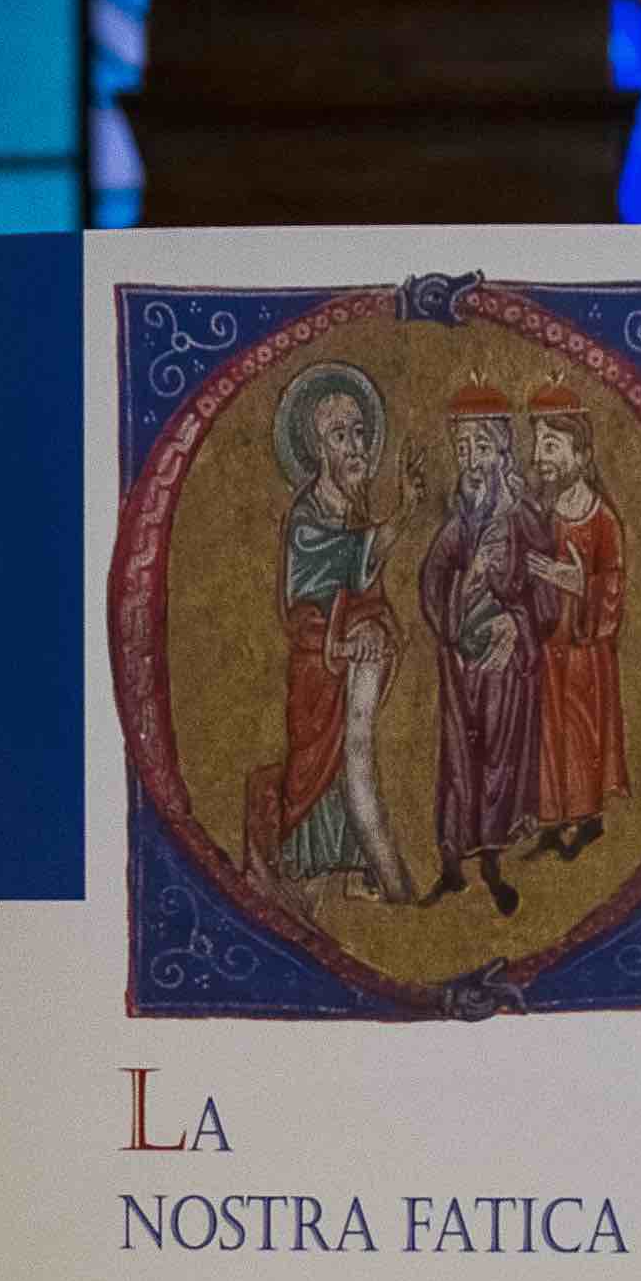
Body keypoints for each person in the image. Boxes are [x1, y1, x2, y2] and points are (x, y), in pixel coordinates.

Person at [246, 363, 417, 915]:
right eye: (340, 435)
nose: (355, 446)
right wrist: (344, 638)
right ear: (319, 448)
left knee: (352, 763)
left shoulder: (353, 508)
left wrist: (373, 625)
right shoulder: (306, 517)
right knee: (317, 772)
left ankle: (355, 869)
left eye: (359, 432)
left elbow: (366, 589)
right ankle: (309, 874)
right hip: (318, 667)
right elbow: (311, 602)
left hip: (349, 662)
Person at [410, 379, 550, 919]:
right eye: (463, 448)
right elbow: (431, 577)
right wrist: (450, 625)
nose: (471, 460)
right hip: (462, 659)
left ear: (502, 452)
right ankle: (452, 865)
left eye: (481, 447)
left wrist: (516, 624)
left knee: (496, 758)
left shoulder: (522, 519)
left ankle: (492, 864)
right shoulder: (460, 522)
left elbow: (544, 590)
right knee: (458, 759)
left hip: (504, 664)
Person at [519, 381, 628, 861]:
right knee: (549, 734)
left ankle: (586, 821)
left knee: (581, 733)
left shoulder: (602, 519)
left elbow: (615, 585)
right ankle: (552, 821)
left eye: (550, 445)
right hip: (548, 647)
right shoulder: (542, 514)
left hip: (585, 651)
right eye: (537, 444)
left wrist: (581, 584)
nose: (537, 457)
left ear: (580, 456)